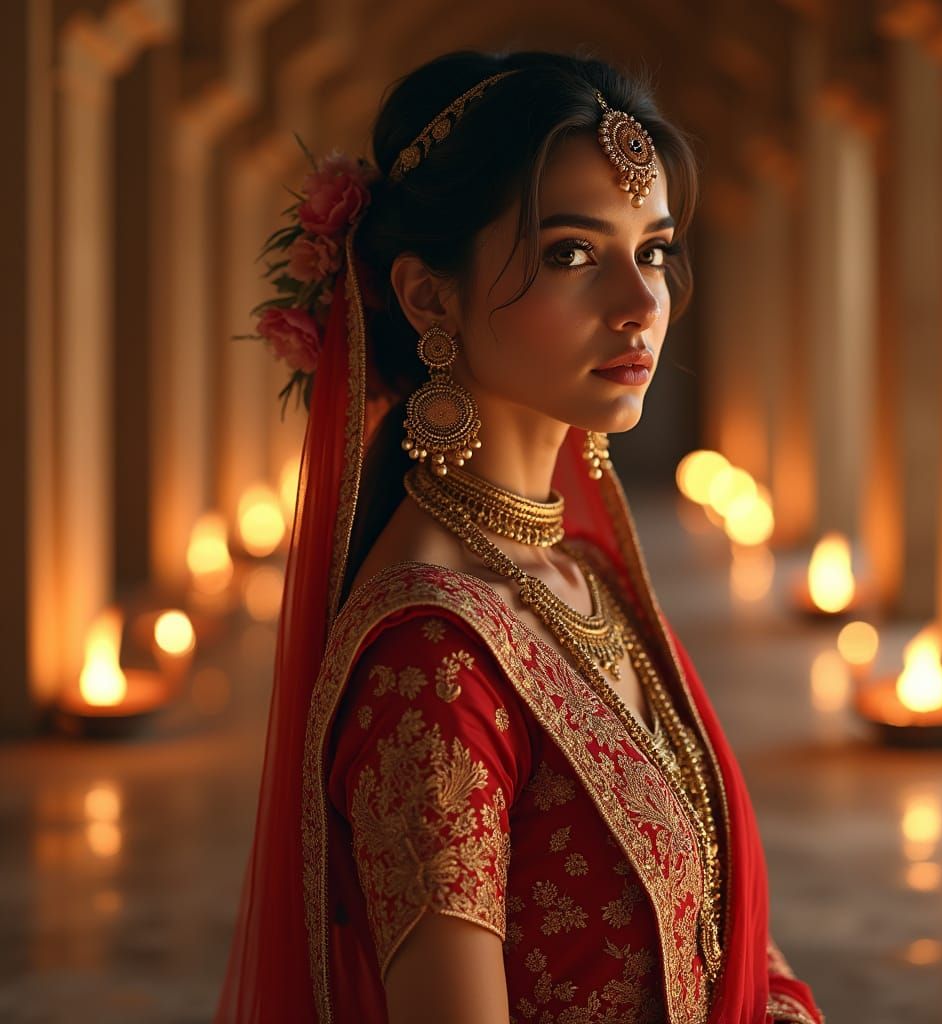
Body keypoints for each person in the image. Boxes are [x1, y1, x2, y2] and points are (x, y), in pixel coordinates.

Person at [215, 49, 824, 1024]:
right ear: (427, 297)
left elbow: (711, 929)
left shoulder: (576, 571)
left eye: (655, 249)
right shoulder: (433, 662)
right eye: (571, 253)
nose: (641, 303)